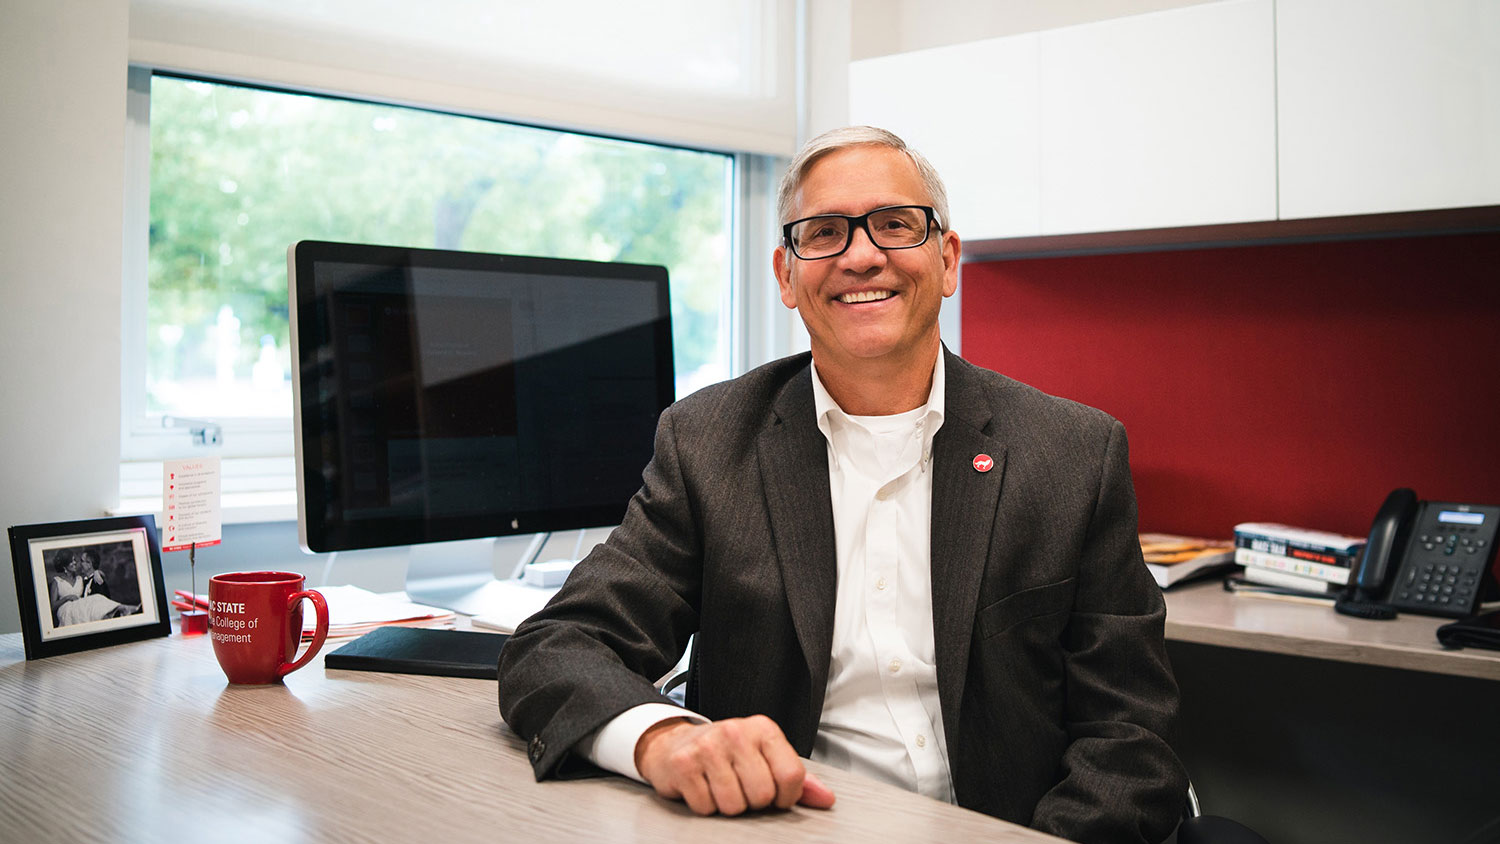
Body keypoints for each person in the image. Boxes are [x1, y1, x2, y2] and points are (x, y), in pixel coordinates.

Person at [498, 126, 1187, 843]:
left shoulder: (1073, 453)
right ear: (786, 275)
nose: (861, 256)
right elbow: (559, 646)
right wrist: (662, 738)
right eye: (823, 232)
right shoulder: (708, 443)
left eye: (895, 224)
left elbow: (1130, 738)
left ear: (947, 259)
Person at [49, 550, 139, 626]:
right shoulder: (57, 581)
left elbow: (90, 577)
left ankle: (123, 610)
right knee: (96, 598)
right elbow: (52, 606)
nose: (76, 563)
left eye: (75, 560)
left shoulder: (79, 579)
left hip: (80, 610)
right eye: (71, 561)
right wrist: (67, 598)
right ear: (65, 565)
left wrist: (97, 572)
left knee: (97, 599)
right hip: (66, 611)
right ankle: (122, 609)